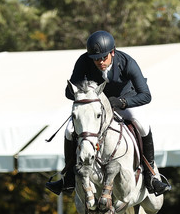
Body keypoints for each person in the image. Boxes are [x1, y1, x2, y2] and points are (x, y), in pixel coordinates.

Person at [45, 30, 171, 197]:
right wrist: (86, 92)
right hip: (97, 106)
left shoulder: (127, 62)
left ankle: (151, 176)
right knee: (69, 129)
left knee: (142, 124)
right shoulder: (84, 61)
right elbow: (69, 92)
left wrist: (122, 102)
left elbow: (146, 95)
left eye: (104, 57)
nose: (100, 62)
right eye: (96, 59)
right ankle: (68, 178)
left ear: (112, 52)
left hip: (124, 101)